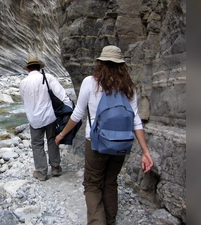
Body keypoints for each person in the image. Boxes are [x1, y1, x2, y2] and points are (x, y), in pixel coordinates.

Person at [55, 45, 153, 225]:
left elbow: (77, 115)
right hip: (122, 145)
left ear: (99, 63)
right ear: (121, 65)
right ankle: (110, 220)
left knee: (92, 185)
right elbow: (136, 121)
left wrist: (61, 134)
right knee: (110, 182)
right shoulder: (129, 87)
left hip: (96, 143)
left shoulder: (90, 82)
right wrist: (145, 152)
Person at [19, 56, 74, 181]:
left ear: (28, 69)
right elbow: (61, 94)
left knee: (37, 144)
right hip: (49, 116)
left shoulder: (23, 83)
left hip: (34, 119)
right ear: (39, 67)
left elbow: (24, 99)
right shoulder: (48, 78)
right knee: (52, 139)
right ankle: (55, 167)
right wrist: (70, 108)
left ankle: (42, 172)